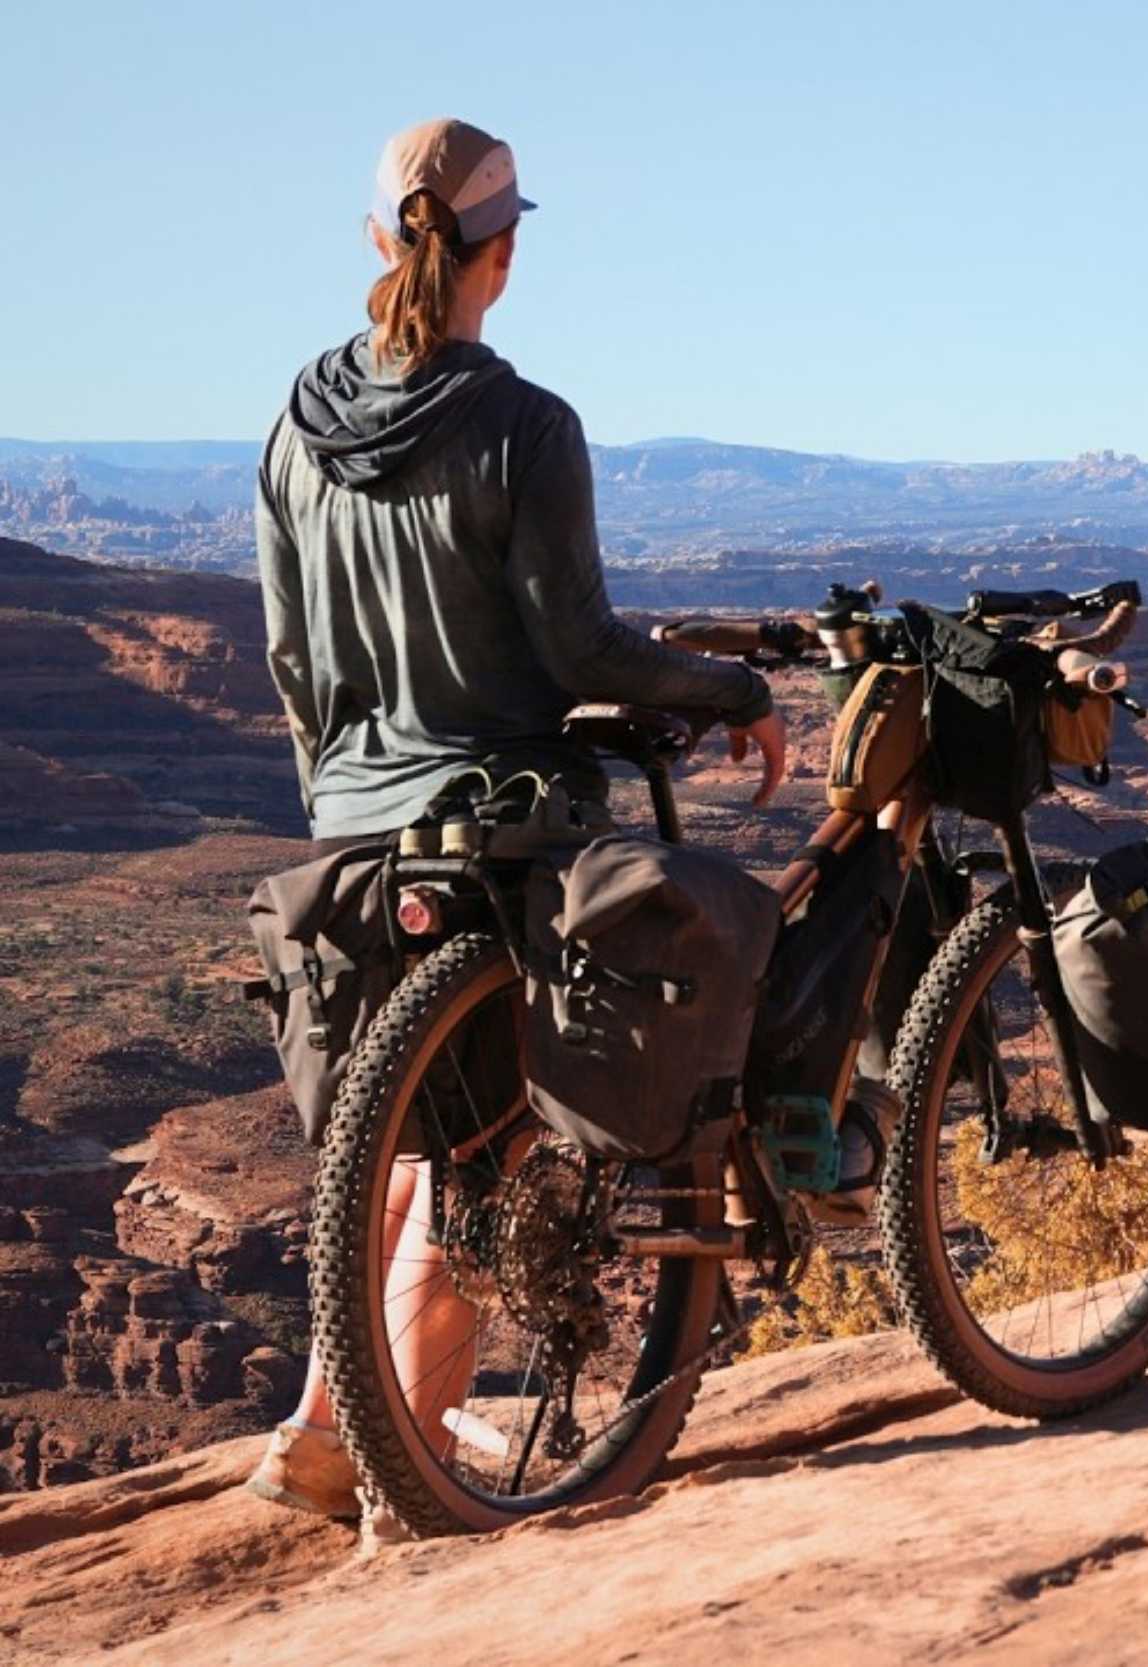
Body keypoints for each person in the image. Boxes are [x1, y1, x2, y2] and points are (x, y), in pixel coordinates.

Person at [244, 117, 785, 1519]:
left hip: (355, 832)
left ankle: (325, 1415)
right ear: (507, 251)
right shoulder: (525, 427)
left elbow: (293, 661)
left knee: (392, 1134)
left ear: (379, 238)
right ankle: (383, 1448)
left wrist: (345, 799)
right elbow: (584, 650)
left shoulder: (297, 425)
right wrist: (729, 688)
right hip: (506, 823)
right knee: (484, 1157)